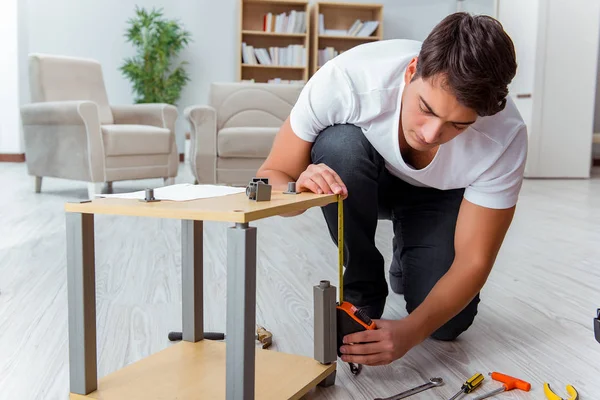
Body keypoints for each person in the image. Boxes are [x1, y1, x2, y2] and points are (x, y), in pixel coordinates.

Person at [256, 12, 526, 366]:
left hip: (439, 196)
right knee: (339, 147)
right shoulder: (346, 80)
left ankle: (409, 253)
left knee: (448, 326)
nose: (431, 135)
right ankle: (363, 283)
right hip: (361, 182)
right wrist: (299, 189)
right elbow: (270, 175)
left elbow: (474, 261)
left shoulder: (504, 137)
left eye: (457, 125)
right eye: (426, 109)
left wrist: (410, 332)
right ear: (411, 71)